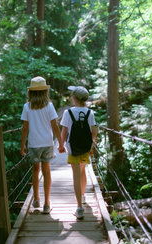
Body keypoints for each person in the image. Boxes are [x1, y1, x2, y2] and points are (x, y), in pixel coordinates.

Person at [21, 76, 65, 214]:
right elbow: (55, 125)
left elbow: (25, 127)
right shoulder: (49, 106)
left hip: (34, 144)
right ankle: (46, 203)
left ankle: (36, 199)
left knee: (35, 171)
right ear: (45, 91)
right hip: (47, 143)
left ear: (31, 92)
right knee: (46, 172)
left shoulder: (27, 106)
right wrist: (61, 143)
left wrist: (22, 145)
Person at [60, 86, 97, 219]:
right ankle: (82, 196)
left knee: (76, 175)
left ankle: (79, 207)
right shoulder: (90, 113)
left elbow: (64, 131)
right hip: (85, 148)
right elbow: (94, 132)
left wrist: (60, 145)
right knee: (82, 172)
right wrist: (91, 146)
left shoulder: (68, 113)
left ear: (74, 98)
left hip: (72, 148)